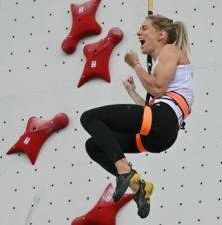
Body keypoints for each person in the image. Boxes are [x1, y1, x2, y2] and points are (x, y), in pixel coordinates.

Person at [80, 14, 194, 219]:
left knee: (89, 118)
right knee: (94, 146)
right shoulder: (164, 62)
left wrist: (136, 65)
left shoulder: (170, 50)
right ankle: (139, 187)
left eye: (144, 28)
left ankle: (124, 170)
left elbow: (158, 89)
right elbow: (153, 108)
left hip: (163, 121)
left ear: (161, 35)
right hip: (160, 134)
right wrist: (133, 93)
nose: (138, 32)